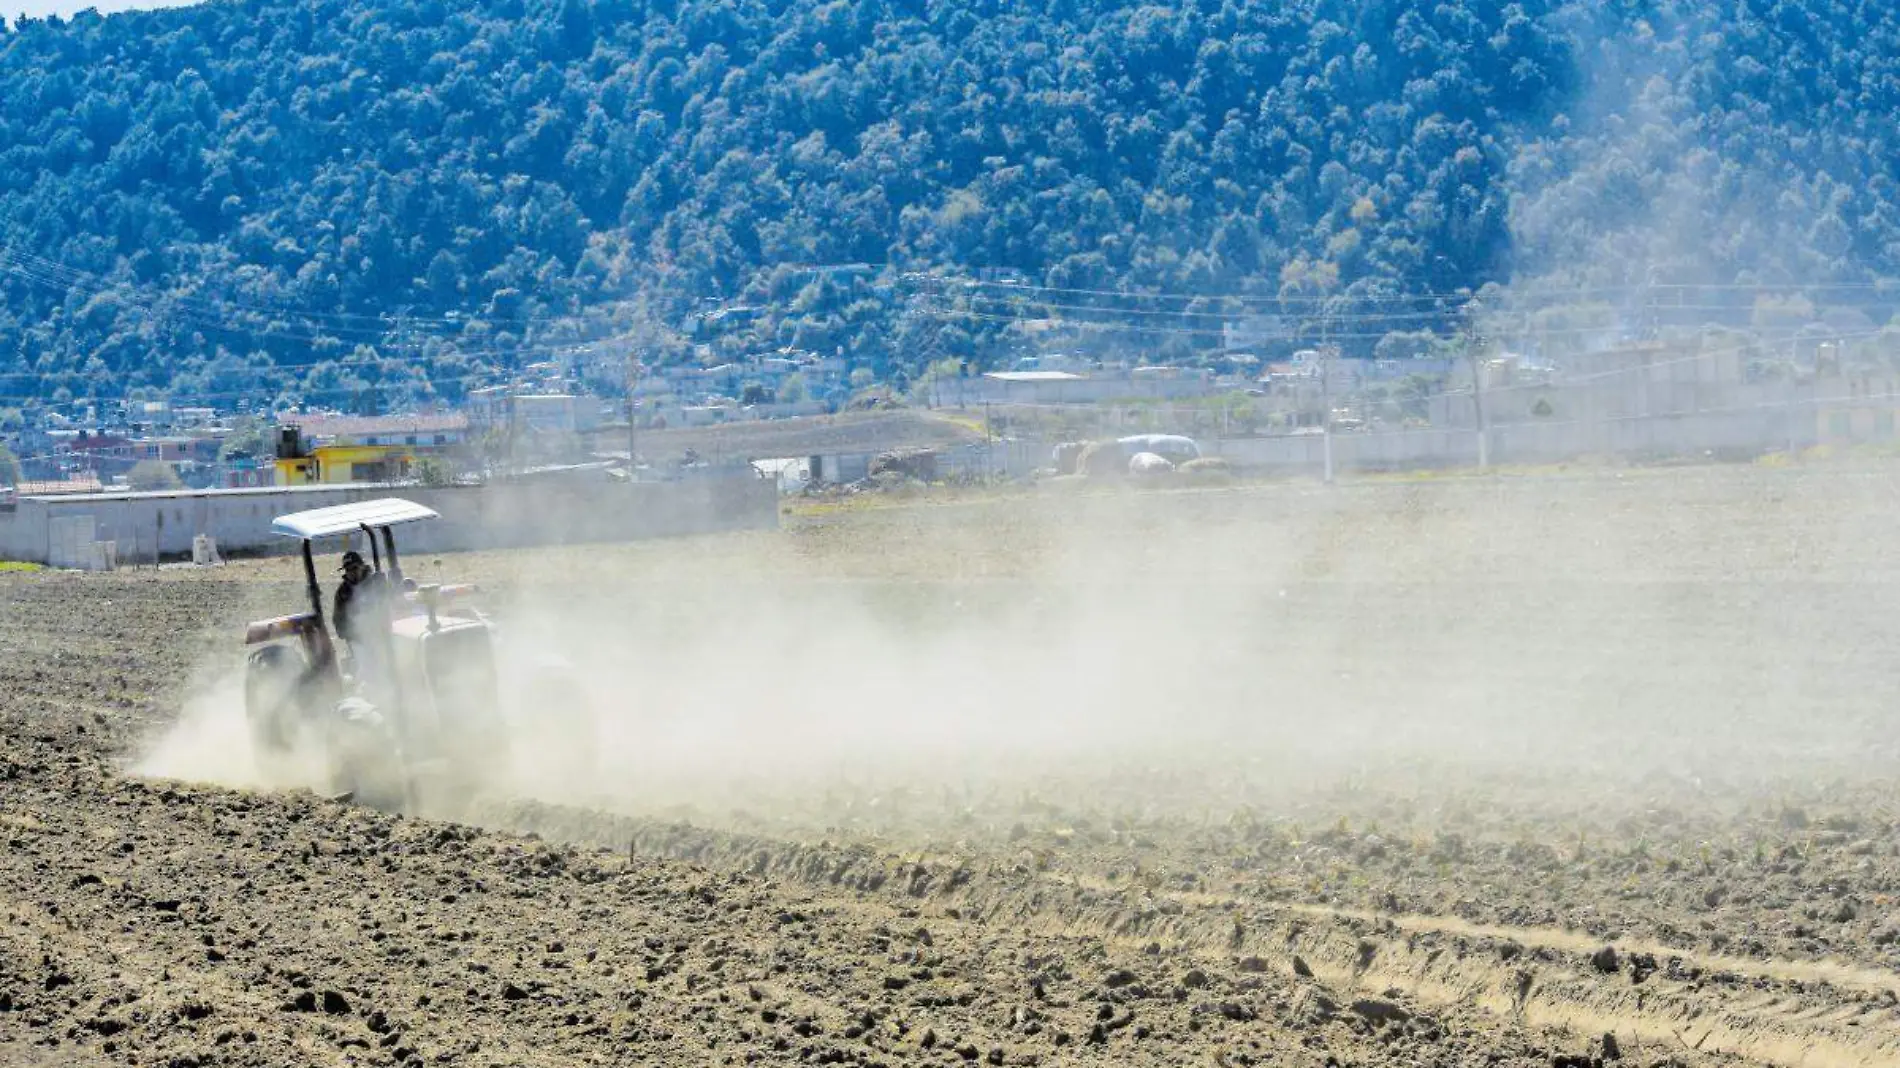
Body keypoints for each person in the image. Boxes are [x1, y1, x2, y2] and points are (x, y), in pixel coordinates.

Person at [332, 550, 389, 689]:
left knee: (386, 664)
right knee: (367, 669)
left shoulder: (376, 582)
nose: (351, 572)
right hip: (358, 639)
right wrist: (350, 633)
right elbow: (338, 619)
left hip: (381, 634)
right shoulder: (342, 592)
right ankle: (370, 692)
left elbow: (389, 602)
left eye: (354, 568)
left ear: (362, 566)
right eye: (348, 569)